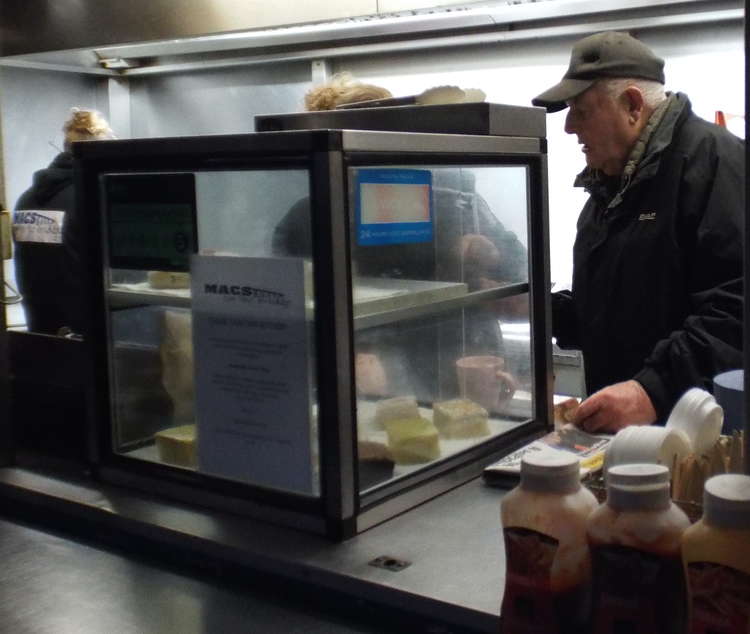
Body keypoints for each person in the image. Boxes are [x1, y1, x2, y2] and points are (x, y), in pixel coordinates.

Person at [532, 31, 744, 433]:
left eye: (580, 109)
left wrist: (654, 389)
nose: (569, 128)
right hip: (624, 432)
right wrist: (542, 312)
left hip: (692, 435)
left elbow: (735, 308)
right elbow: (615, 309)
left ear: (631, 105)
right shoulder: (610, 185)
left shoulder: (715, 162)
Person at [274, 74, 528, 404]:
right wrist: (337, 361)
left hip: (459, 368)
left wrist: (490, 257)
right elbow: (284, 312)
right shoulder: (308, 216)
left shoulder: (448, 200)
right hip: (372, 389)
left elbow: (520, 279)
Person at [13, 108, 115, 336]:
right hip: (87, 335)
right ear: (98, 153)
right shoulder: (88, 196)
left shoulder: (27, 198)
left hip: (40, 331)